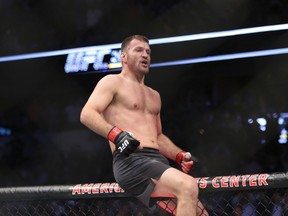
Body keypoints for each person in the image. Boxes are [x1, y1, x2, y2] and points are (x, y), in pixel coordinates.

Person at [80, 35, 207, 216]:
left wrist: (179, 155)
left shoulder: (154, 95)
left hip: (157, 161)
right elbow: (87, 114)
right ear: (123, 57)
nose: (145, 55)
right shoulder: (112, 82)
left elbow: (158, 136)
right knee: (188, 185)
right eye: (138, 50)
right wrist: (116, 134)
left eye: (148, 51)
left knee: (200, 212)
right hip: (132, 160)